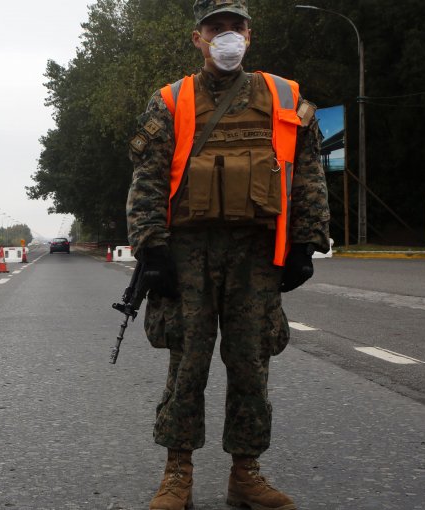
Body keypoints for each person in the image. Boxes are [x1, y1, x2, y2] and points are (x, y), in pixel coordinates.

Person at [125, 1, 330, 509]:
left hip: (256, 254)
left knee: (251, 363)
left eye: (235, 27)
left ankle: (246, 473)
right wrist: (151, 249)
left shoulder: (285, 95)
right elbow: (147, 179)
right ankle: (178, 475)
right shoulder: (171, 100)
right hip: (188, 250)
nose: (226, 36)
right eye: (216, 28)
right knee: (187, 364)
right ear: (198, 38)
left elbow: (307, 171)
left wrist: (307, 241)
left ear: (249, 35)